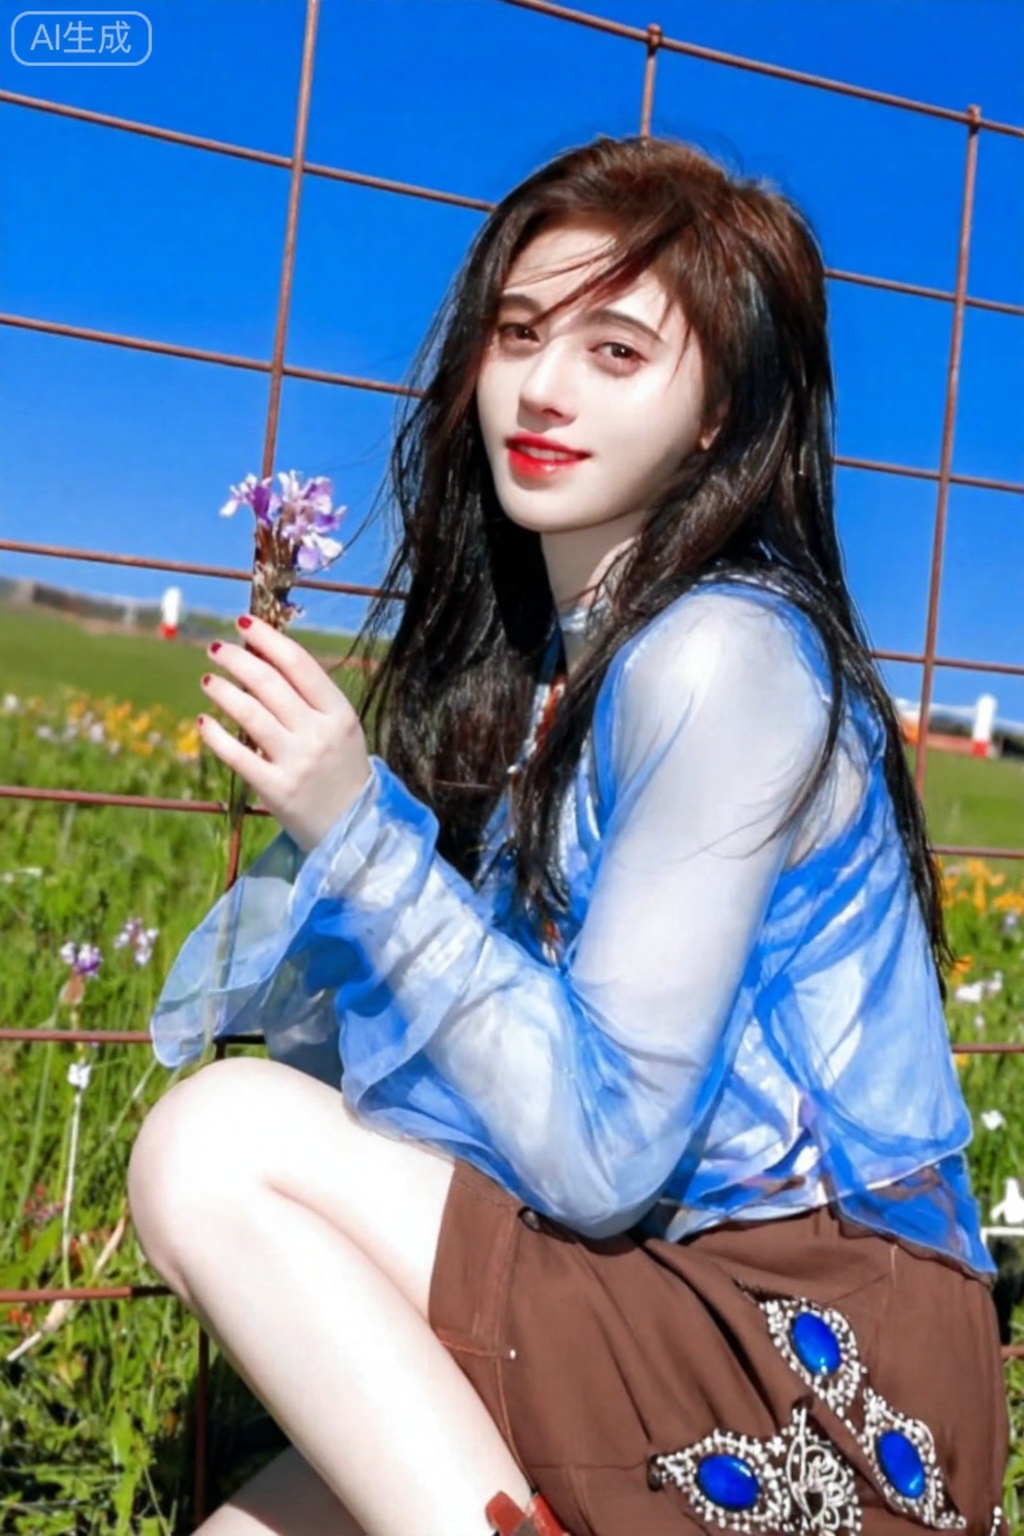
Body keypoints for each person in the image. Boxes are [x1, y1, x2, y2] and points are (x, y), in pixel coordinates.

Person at [128, 134, 1009, 1536]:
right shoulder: (559, 671)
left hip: (806, 1357)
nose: (540, 387)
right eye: (520, 331)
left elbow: (601, 1154)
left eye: (615, 352)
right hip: (646, 1294)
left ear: (718, 413)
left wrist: (357, 829)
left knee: (215, 1146)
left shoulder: (721, 656)